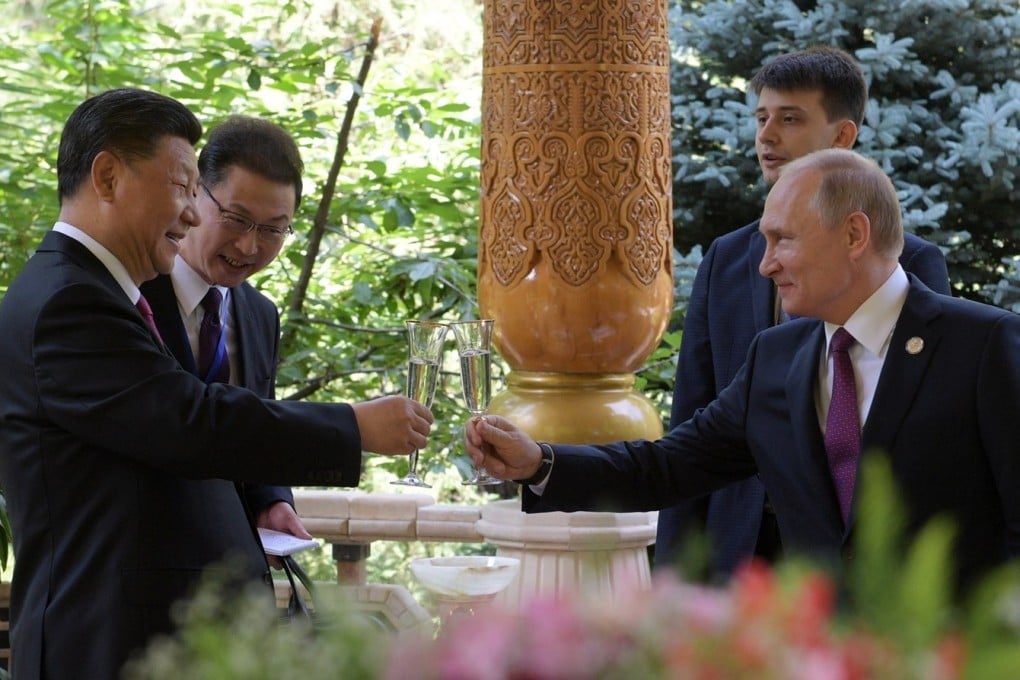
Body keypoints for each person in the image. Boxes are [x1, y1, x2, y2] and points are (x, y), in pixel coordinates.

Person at [0, 89, 433, 680]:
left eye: (274, 229)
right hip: (113, 640)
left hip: (193, 635)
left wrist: (268, 499)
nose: (190, 215)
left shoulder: (97, 288)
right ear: (107, 177)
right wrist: (352, 426)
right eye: (182, 189)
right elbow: (191, 421)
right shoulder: (70, 301)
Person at [467, 148, 1020, 600]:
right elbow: (670, 466)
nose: (766, 263)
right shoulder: (774, 359)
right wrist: (540, 461)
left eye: (784, 239)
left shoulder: (985, 345)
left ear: (855, 235)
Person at [654, 46, 951, 581]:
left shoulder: (913, 263)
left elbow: (921, 427)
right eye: (761, 118)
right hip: (739, 555)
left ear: (842, 137)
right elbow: (690, 422)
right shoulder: (727, 259)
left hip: (855, 560)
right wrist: (671, 581)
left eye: (789, 119)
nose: (766, 136)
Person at [141, 116, 312, 563]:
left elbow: (257, 431)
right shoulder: (130, 295)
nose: (250, 247)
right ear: (194, 194)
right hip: (142, 579)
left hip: (234, 589)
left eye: (274, 229)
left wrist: (272, 501)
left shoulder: (260, 315)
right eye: (237, 219)